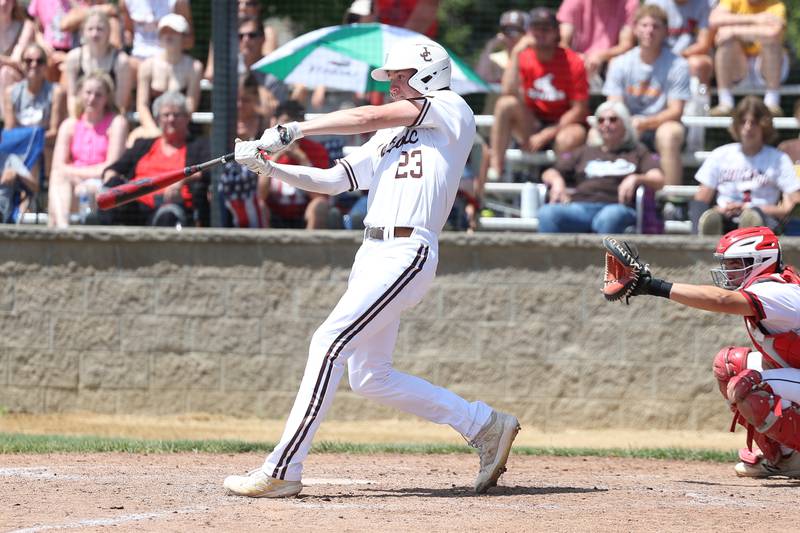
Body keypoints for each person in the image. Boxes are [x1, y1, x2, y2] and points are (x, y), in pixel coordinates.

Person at [226, 40, 520, 498]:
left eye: (400, 77)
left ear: (427, 74)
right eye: (391, 79)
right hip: (371, 254)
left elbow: (365, 116)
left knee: (327, 342)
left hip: (408, 249)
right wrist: (272, 167)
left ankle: (283, 468)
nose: (393, 85)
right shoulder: (388, 134)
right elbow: (335, 181)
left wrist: (293, 129)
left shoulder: (450, 108)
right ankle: (483, 423)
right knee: (369, 376)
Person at [613, 225, 800, 477]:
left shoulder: (776, 291)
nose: (729, 271)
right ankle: (784, 457)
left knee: (747, 387)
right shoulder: (770, 285)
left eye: (736, 264)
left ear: (761, 261)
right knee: (729, 363)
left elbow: (720, 300)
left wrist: (653, 286)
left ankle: (792, 459)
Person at [487, 7, 589, 182]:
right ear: (528, 31)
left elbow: (579, 110)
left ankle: (559, 180)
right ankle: (497, 169)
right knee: (505, 104)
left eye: (546, 28)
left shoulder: (573, 61)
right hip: (532, 123)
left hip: (563, 125)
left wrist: (547, 134)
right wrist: (517, 51)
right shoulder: (524, 56)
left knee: (571, 136)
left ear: (556, 32)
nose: (540, 33)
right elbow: (507, 91)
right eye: (535, 28)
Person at [537, 100, 665, 234]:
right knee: (548, 213)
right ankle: (552, 256)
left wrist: (636, 178)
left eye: (613, 120)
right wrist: (557, 181)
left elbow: (658, 179)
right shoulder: (584, 151)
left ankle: (602, 255)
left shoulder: (637, 152)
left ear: (625, 124)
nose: (606, 124)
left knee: (609, 217)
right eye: (601, 120)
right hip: (580, 206)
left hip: (617, 206)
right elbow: (549, 172)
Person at [603, 4, 690, 187]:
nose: (649, 31)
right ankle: (604, 189)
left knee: (669, 135)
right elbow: (614, 106)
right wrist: (629, 124)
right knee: (597, 134)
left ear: (666, 31)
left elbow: (675, 111)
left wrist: (645, 123)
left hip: (662, 124)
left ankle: (672, 199)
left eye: (655, 26)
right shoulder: (619, 63)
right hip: (628, 124)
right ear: (635, 29)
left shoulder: (678, 65)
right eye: (644, 25)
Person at [690, 96, 800, 235]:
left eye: (754, 123)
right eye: (743, 122)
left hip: (763, 220)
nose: (748, 128)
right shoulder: (720, 154)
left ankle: (748, 235)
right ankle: (706, 246)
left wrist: (752, 208)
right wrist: (718, 210)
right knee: (711, 219)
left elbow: (792, 204)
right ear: (736, 125)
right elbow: (701, 200)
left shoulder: (778, 159)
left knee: (753, 218)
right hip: (725, 216)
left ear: (764, 125)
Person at [100, 91, 210, 227]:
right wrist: (110, 177)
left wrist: (182, 181)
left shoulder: (199, 146)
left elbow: (207, 170)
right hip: (135, 206)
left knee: (167, 215)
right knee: (111, 191)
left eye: (176, 115)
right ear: (157, 119)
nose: (171, 119)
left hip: (171, 204)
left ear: (187, 118)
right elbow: (115, 168)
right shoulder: (143, 144)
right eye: (166, 115)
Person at [47, 71, 128, 228]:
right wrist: (77, 179)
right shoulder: (69, 125)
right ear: (80, 94)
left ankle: (60, 231)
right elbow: (57, 166)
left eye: (98, 95)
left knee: (74, 183)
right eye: (88, 93)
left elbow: (111, 167)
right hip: (74, 183)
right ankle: (62, 230)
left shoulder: (117, 123)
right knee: (58, 177)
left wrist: (74, 174)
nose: (92, 99)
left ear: (107, 98)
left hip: (101, 184)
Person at [264, 100, 336, 229]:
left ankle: (310, 247)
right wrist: (276, 156)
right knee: (260, 207)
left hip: (304, 213)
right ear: (274, 123)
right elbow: (260, 194)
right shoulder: (263, 148)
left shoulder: (316, 150)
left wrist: (303, 159)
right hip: (273, 211)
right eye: (285, 123)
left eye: (294, 125)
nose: (289, 131)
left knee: (319, 205)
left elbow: (319, 195)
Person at [709, 0, 788, 116]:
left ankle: (772, 104)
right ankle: (725, 103)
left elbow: (773, 33)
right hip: (739, 68)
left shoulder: (776, 5)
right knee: (726, 42)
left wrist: (734, 31)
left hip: (767, 68)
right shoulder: (731, 1)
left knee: (772, 42)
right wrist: (756, 19)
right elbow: (713, 20)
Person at [132, 14, 202, 140]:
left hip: (182, 130)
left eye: (173, 31)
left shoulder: (194, 67)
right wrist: (153, 130)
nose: (168, 35)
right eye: (164, 32)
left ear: (184, 37)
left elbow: (190, 106)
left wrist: (173, 129)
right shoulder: (147, 66)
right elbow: (142, 104)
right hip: (151, 129)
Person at [63, 8, 133, 115]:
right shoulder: (74, 58)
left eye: (100, 29)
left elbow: (120, 104)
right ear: (83, 33)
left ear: (108, 32)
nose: (95, 34)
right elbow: (72, 97)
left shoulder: (121, 61)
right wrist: (76, 120)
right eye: (90, 29)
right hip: (82, 116)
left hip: (110, 117)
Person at [557, 0, 638, 89]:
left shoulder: (629, 3)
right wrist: (576, 59)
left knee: (617, 65)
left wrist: (600, 56)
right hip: (577, 61)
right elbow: (562, 42)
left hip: (611, 63)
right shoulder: (573, 1)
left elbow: (626, 45)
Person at [2, 44, 66, 143]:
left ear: (45, 66)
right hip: (19, 148)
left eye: (39, 61)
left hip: (44, 148)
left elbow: (54, 132)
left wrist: (28, 139)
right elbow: (10, 130)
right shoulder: (11, 93)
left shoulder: (56, 92)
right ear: (22, 64)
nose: (34, 65)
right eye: (28, 61)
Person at [645, 0, 714, 86]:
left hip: (687, 56)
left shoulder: (703, 3)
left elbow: (703, 44)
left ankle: (701, 97)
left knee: (699, 64)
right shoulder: (654, 3)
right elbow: (647, 39)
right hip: (659, 55)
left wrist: (677, 57)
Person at [119, 0, 194, 65]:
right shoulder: (126, 2)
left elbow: (189, 41)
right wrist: (126, 37)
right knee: (124, 65)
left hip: (168, 58)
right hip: (138, 57)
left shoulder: (179, 2)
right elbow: (128, 31)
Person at [475, 10, 529, 87]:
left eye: (516, 29)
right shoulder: (494, 59)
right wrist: (490, 46)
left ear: (525, 33)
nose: (511, 34)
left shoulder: (531, 58)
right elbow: (478, 80)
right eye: (507, 29)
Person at [0, 0, 35, 98]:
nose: (3, 4)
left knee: (5, 72)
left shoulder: (25, 27)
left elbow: (17, 62)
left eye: (7, 0)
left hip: (19, 78)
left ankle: (7, 113)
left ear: (14, 3)